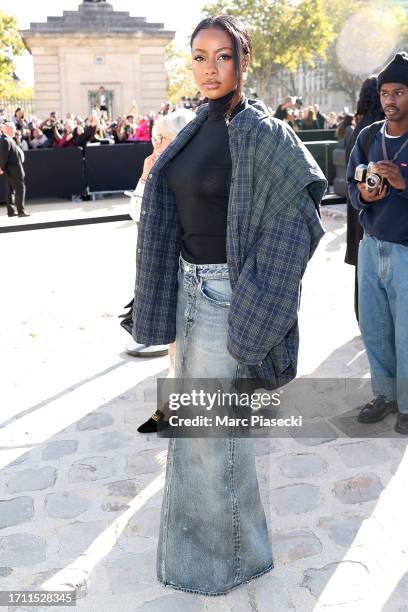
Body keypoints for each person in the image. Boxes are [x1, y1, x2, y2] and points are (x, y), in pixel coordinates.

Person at [131, 14, 326, 595]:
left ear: (243, 61)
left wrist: (256, 312)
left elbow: (299, 227)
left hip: (227, 299)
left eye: (222, 56)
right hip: (190, 289)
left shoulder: (263, 133)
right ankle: (214, 556)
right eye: (199, 56)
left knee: (217, 443)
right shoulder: (194, 125)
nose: (209, 69)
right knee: (195, 437)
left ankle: (228, 564)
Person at [123, 109, 195, 433]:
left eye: (160, 139)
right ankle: (170, 409)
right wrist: (143, 179)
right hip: (168, 275)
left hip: (194, 274)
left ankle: (173, 411)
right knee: (175, 349)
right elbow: (137, 215)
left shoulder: (190, 176)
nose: (154, 146)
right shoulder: (159, 171)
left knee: (186, 352)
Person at [347, 52, 408, 434]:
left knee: (407, 330)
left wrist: (402, 184)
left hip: (405, 250)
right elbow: (352, 187)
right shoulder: (368, 136)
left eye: (399, 92)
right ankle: (384, 394)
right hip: (372, 246)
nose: (389, 100)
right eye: (385, 92)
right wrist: (365, 197)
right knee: (375, 328)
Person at [344, 76, 384, 320]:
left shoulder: (358, 128)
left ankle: (362, 315)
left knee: (363, 267)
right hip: (373, 206)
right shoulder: (377, 131)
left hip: (356, 204)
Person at [0, 122, 30, 217]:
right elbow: (3, 156)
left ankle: (11, 211)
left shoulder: (7, 139)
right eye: (13, 129)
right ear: (9, 129)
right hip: (14, 170)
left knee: (10, 191)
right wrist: (1, 167)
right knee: (20, 189)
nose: (15, 131)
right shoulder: (5, 140)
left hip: (10, 170)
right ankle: (21, 211)